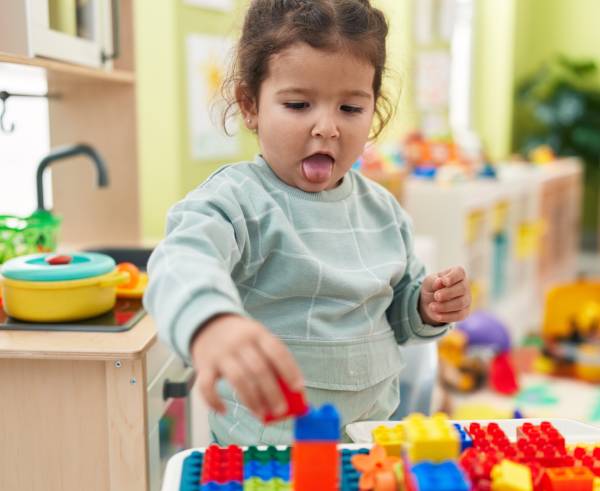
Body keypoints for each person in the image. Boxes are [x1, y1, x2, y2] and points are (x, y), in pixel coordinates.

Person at [144, 0, 471, 445]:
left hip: (367, 443)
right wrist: (211, 323)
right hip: (267, 453)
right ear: (250, 105)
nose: (327, 128)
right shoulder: (235, 201)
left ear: (374, 109)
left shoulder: (383, 211)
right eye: (299, 104)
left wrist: (425, 307)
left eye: (351, 109)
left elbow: (396, 313)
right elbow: (180, 262)